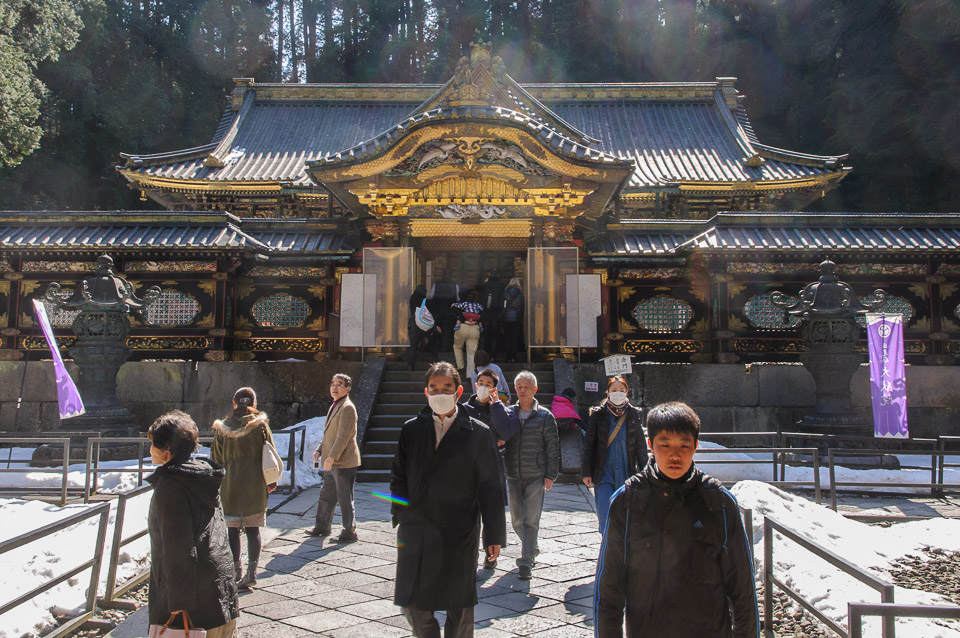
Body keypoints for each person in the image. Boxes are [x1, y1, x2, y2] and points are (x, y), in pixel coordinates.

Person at [594, 401, 759, 638]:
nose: (675, 455)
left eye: (684, 445)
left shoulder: (719, 503)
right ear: (651, 445)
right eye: (665, 445)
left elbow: (743, 588)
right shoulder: (627, 503)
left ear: (695, 447)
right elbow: (608, 590)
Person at [390, 361, 506, 637]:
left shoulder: (479, 432)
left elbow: (490, 487)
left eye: (446, 388)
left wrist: (494, 534)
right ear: (426, 392)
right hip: (417, 526)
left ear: (458, 391)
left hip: (459, 527)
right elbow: (398, 476)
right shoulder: (411, 429)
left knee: (460, 604)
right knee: (411, 601)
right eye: (434, 388)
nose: (439, 393)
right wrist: (401, 513)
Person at [147, 410, 239, 638]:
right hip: (220, 589)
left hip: (194, 603)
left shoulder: (172, 484)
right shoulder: (203, 475)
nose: (149, 450)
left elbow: (178, 546)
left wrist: (177, 602)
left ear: (166, 449)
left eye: (152, 444)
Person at [211, 387, 276, 590]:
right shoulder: (261, 426)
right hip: (255, 483)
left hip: (230, 484)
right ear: (254, 403)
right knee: (252, 529)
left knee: (232, 531)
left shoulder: (223, 428)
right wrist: (271, 481)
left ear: (234, 403)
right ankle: (252, 573)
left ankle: (236, 570)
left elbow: (215, 458)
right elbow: (271, 454)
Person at [502, 370, 559, 580]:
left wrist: (550, 474)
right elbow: (502, 441)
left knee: (531, 519)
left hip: (536, 473)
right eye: (519, 387)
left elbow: (552, 447)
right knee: (517, 520)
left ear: (535, 389)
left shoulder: (545, 416)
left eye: (527, 386)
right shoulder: (508, 414)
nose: (523, 390)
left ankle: (525, 561)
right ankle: (532, 547)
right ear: (514, 389)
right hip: (513, 473)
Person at [463, 368, 519, 570]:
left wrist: (496, 406)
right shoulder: (463, 409)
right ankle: (467, 556)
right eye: (481, 383)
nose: (484, 387)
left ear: (495, 388)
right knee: (467, 515)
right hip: (467, 468)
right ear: (475, 385)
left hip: (492, 468)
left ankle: (491, 553)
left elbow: (506, 432)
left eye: (488, 384)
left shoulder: (503, 409)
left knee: (493, 513)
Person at [581, 376, 648, 533]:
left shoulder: (633, 414)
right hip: (604, 472)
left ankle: (622, 547)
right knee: (605, 516)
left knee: (626, 517)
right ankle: (606, 546)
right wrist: (586, 472)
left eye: (621, 390)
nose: (618, 393)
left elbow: (640, 447)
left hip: (627, 472)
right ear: (608, 392)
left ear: (627, 392)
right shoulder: (598, 415)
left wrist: (645, 472)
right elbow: (589, 444)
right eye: (614, 390)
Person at [307, 373, 361, 542]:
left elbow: (343, 437)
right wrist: (320, 450)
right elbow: (329, 433)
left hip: (343, 461)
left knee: (344, 497)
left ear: (347, 388)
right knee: (327, 494)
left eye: (339, 384)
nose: (334, 388)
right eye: (332, 384)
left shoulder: (347, 408)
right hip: (331, 461)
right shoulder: (335, 405)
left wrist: (331, 457)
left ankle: (349, 531)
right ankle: (322, 526)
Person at [407, 284, 440, 371]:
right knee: (433, 341)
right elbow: (433, 314)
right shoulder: (427, 302)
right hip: (424, 324)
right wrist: (436, 325)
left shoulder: (412, 300)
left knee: (413, 345)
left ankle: (410, 365)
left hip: (413, 323)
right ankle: (435, 361)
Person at [451, 290, 483, 377]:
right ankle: (470, 375)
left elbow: (453, 309)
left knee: (457, 346)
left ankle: (460, 366)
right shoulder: (477, 306)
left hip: (462, 327)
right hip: (475, 328)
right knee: (472, 352)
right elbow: (483, 312)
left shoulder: (461, 304)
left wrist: (463, 319)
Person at [428, 271, 460, 352]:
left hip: (437, 311)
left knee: (437, 329)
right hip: (449, 312)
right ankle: (445, 348)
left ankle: (436, 347)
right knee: (447, 330)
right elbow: (458, 298)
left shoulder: (436, 284)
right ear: (451, 275)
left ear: (442, 275)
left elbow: (431, 296)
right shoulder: (455, 285)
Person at [478, 268, 505, 358]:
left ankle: (481, 356)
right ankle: (493, 356)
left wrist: (485, 281)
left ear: (489, 274)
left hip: (485, 314)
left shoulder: (484, 285)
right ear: (498, 275)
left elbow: (477, 287)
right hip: (496, 315)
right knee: (494, 336)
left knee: (483, 335)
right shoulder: (501, 286)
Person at [502, 278, 524, 363]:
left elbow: (503, 306)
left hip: (507, 318)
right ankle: (513, 358)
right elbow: (522, 308)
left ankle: (508, 358)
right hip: (517, 318)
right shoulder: (520, 295)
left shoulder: (505, 293)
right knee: (515, 339)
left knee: (507, 338)